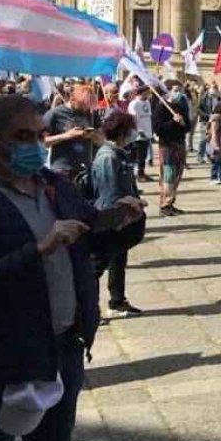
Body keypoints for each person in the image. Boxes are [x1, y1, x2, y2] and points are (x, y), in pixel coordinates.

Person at [0, 95, 143, 441]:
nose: (35, 145)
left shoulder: (56, 186)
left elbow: (89, 237)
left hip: (63, 349)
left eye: (38, 136)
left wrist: (123, 220)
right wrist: (37, 250)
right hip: (2, 360)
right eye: (22, 138)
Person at [90, 111, 147, 318]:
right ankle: (87, 309)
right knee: (95, 267)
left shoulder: (119, 153)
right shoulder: (108, 156)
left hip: (124, 219)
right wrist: (119, 215)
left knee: (118, 261)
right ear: (123, 131)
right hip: (111, 220)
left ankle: (117, 300)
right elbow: (110, 192)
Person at [42, 83, 99, 180]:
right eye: (82, 105)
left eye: (88, 106)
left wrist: (94, 136)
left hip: (86, 169)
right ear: (72, 99)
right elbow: (42, 142)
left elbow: (101, 139)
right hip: (63, 170)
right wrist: (66, 135)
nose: (85, 109)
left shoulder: (91, 115)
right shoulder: (55, 114)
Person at [153, 79, 191, 217]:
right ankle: (165, 204)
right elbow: (157, 129)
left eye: (179, 90)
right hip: (167, 146)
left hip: (179, 144)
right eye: (175, 90)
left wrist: (183, 123)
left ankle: (171, 202)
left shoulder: (181, 105)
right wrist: (172, 122)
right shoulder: (161, 107)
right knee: (168, 176)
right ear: (168, 91)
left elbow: (188, 127)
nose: (178, 93)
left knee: (177, 175)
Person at [207, 101, 221, 185]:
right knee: (216, 160)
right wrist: (215, 144)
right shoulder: (216, 117)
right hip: (217, 141)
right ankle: (214, 177)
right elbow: (214, 132)